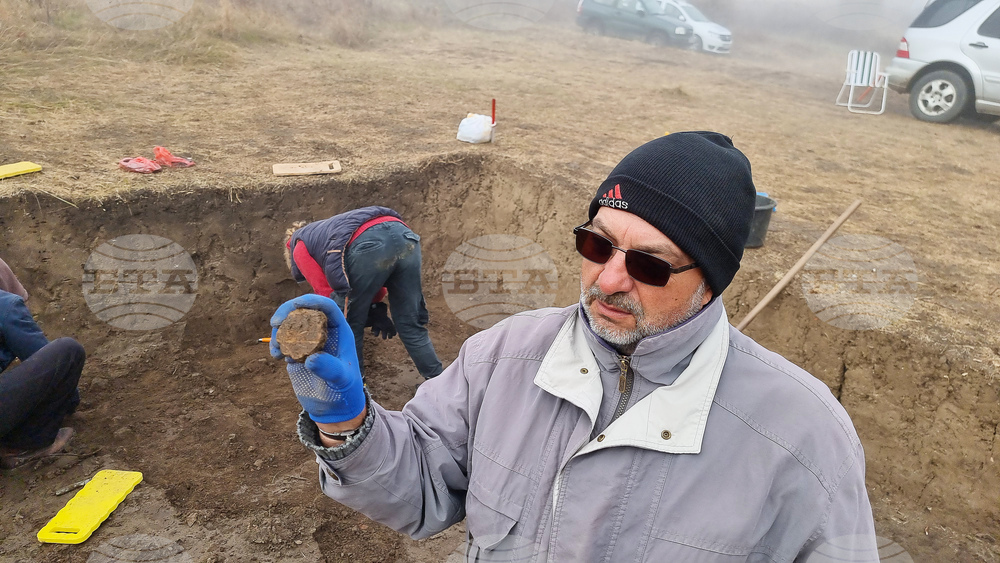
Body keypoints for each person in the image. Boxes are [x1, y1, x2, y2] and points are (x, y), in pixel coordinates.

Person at [270, 133, 879, 561]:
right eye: (598, 245)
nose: (610, 279)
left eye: (649, 263)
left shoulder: (801, 437)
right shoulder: (504, 357)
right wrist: (346, 426)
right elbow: (424, 488)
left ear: (711, 280)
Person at [284, 207, 443, 379]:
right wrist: (375, 307)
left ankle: (359, 390)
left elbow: (327, 294)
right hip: (404, 236)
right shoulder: (326, 231)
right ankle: (438, 382)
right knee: (410, 322)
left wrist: (329, 327)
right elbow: (376, 277)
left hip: (369, 244)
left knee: (349, 327)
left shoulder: (299, 247)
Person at [1, 259, 85, 470]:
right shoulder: (7, 306)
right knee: (68, 351)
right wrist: (68, 399)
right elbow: (39, 355)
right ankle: (22, 446)